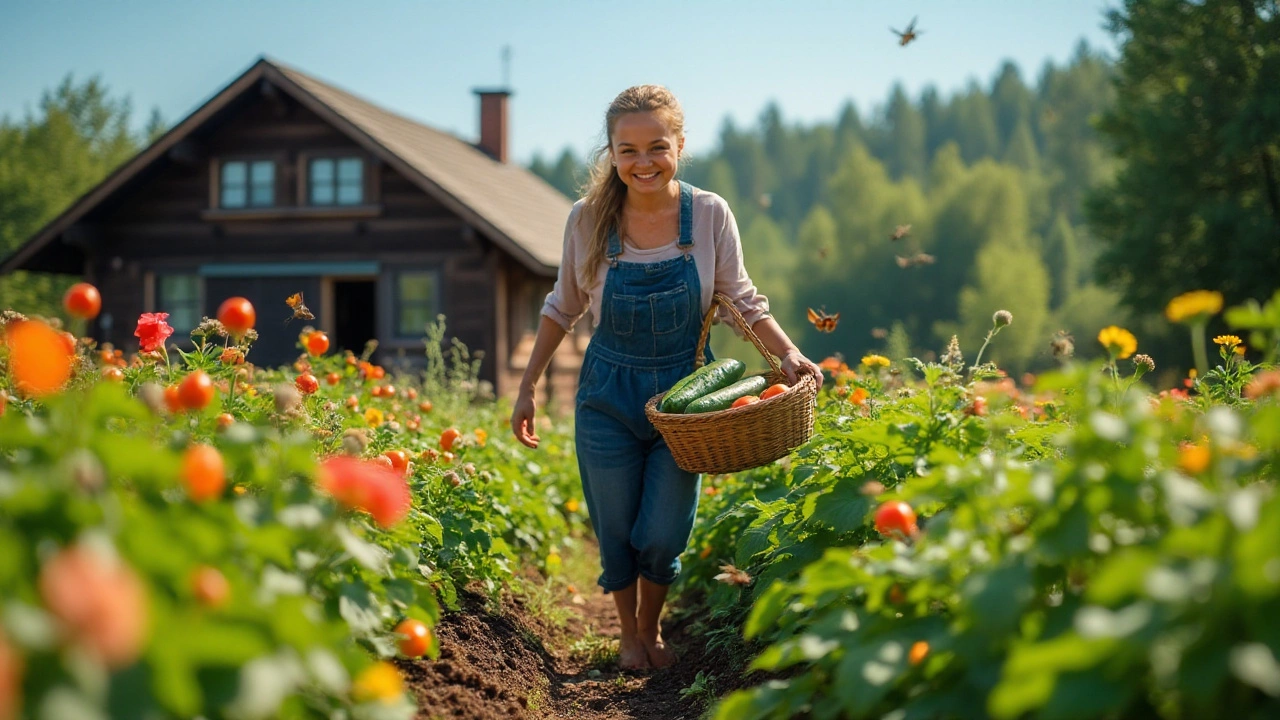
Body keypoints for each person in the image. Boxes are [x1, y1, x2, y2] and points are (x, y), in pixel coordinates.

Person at [509, 85, 823, 671]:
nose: (643, 161)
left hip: (687, 402)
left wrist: (788, 354)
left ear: (680, 145)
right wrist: (527, 386)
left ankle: (652, 628)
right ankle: (630, 635)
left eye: (657, 146)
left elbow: (741, 299)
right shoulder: (588, 219)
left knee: (661, 533)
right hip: (606, 393)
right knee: (616, 528)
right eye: (627, 150)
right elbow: (562, 306)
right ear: (610, 153)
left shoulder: (707, 215)